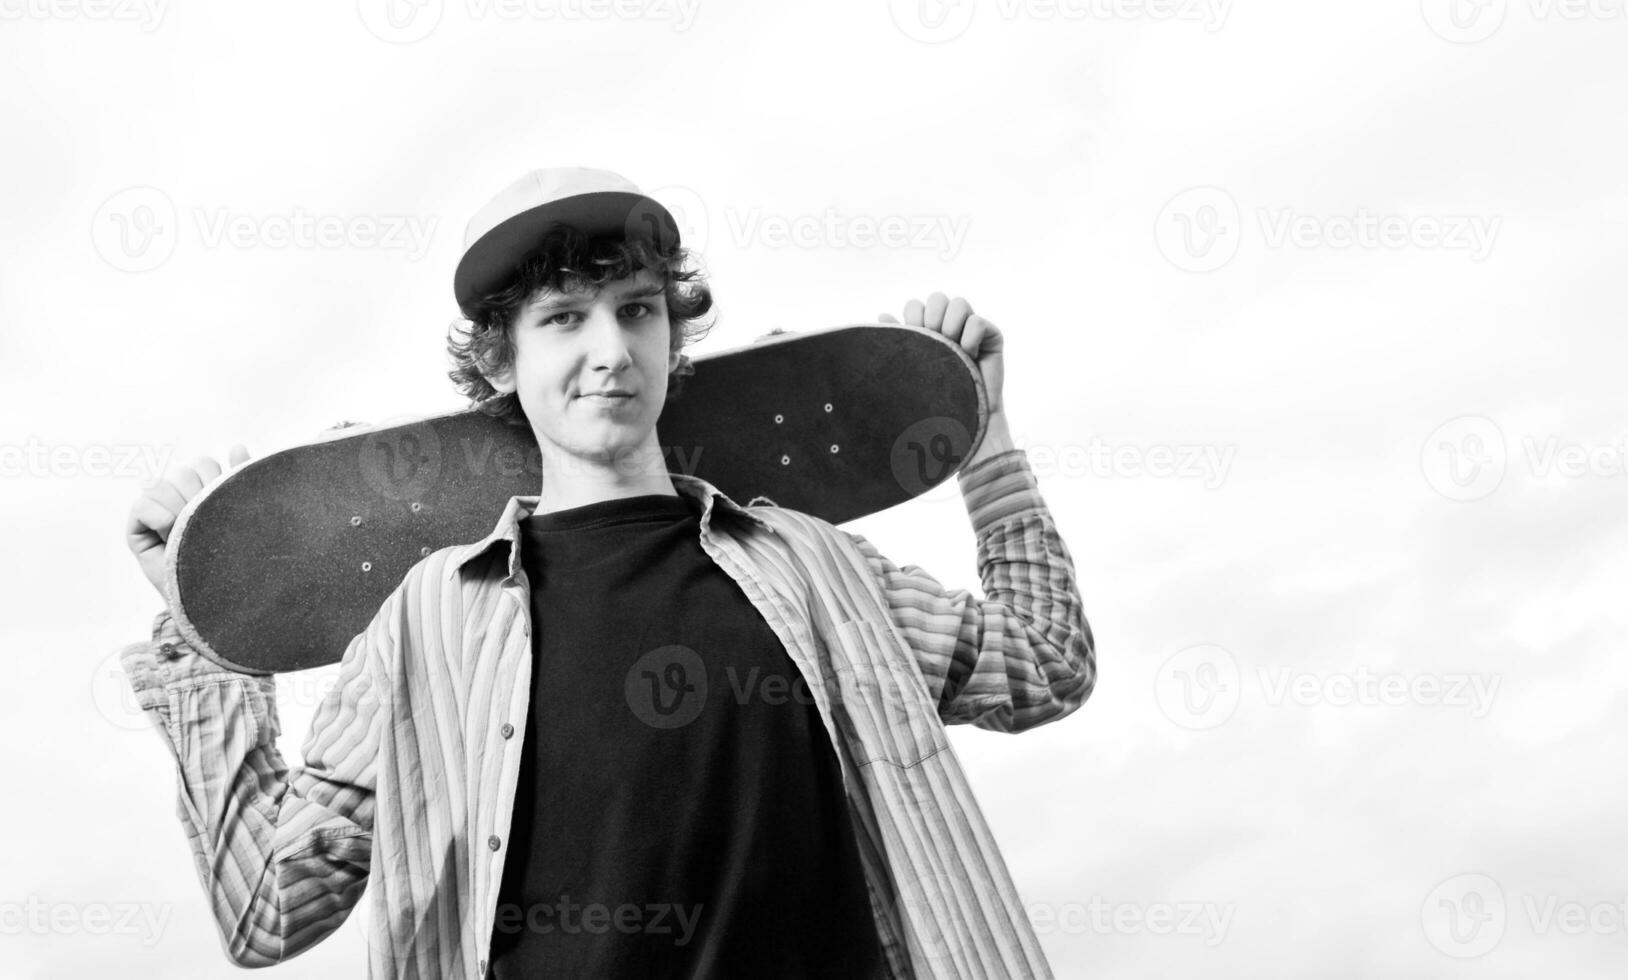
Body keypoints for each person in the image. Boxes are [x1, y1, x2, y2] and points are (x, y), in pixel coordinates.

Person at [120, 167, 1096, 979]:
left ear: (672, 338)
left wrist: (987, 440)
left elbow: (1044, 662)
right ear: (500, 361)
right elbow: (270, 910)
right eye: (562, 319)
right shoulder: (426, 624)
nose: (609, 349)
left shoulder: (814, 566)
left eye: (637, 310)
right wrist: (200, 626)